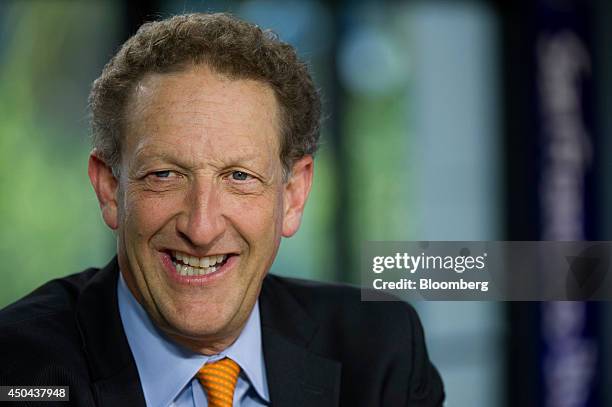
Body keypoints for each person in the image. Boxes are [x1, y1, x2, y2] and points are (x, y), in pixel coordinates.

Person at [0, 13, 444, 406]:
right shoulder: (20, 369)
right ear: (110, 189)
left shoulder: (381, 349)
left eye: (239, 177)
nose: (202, 226)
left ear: (292, 196)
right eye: (164, 175)